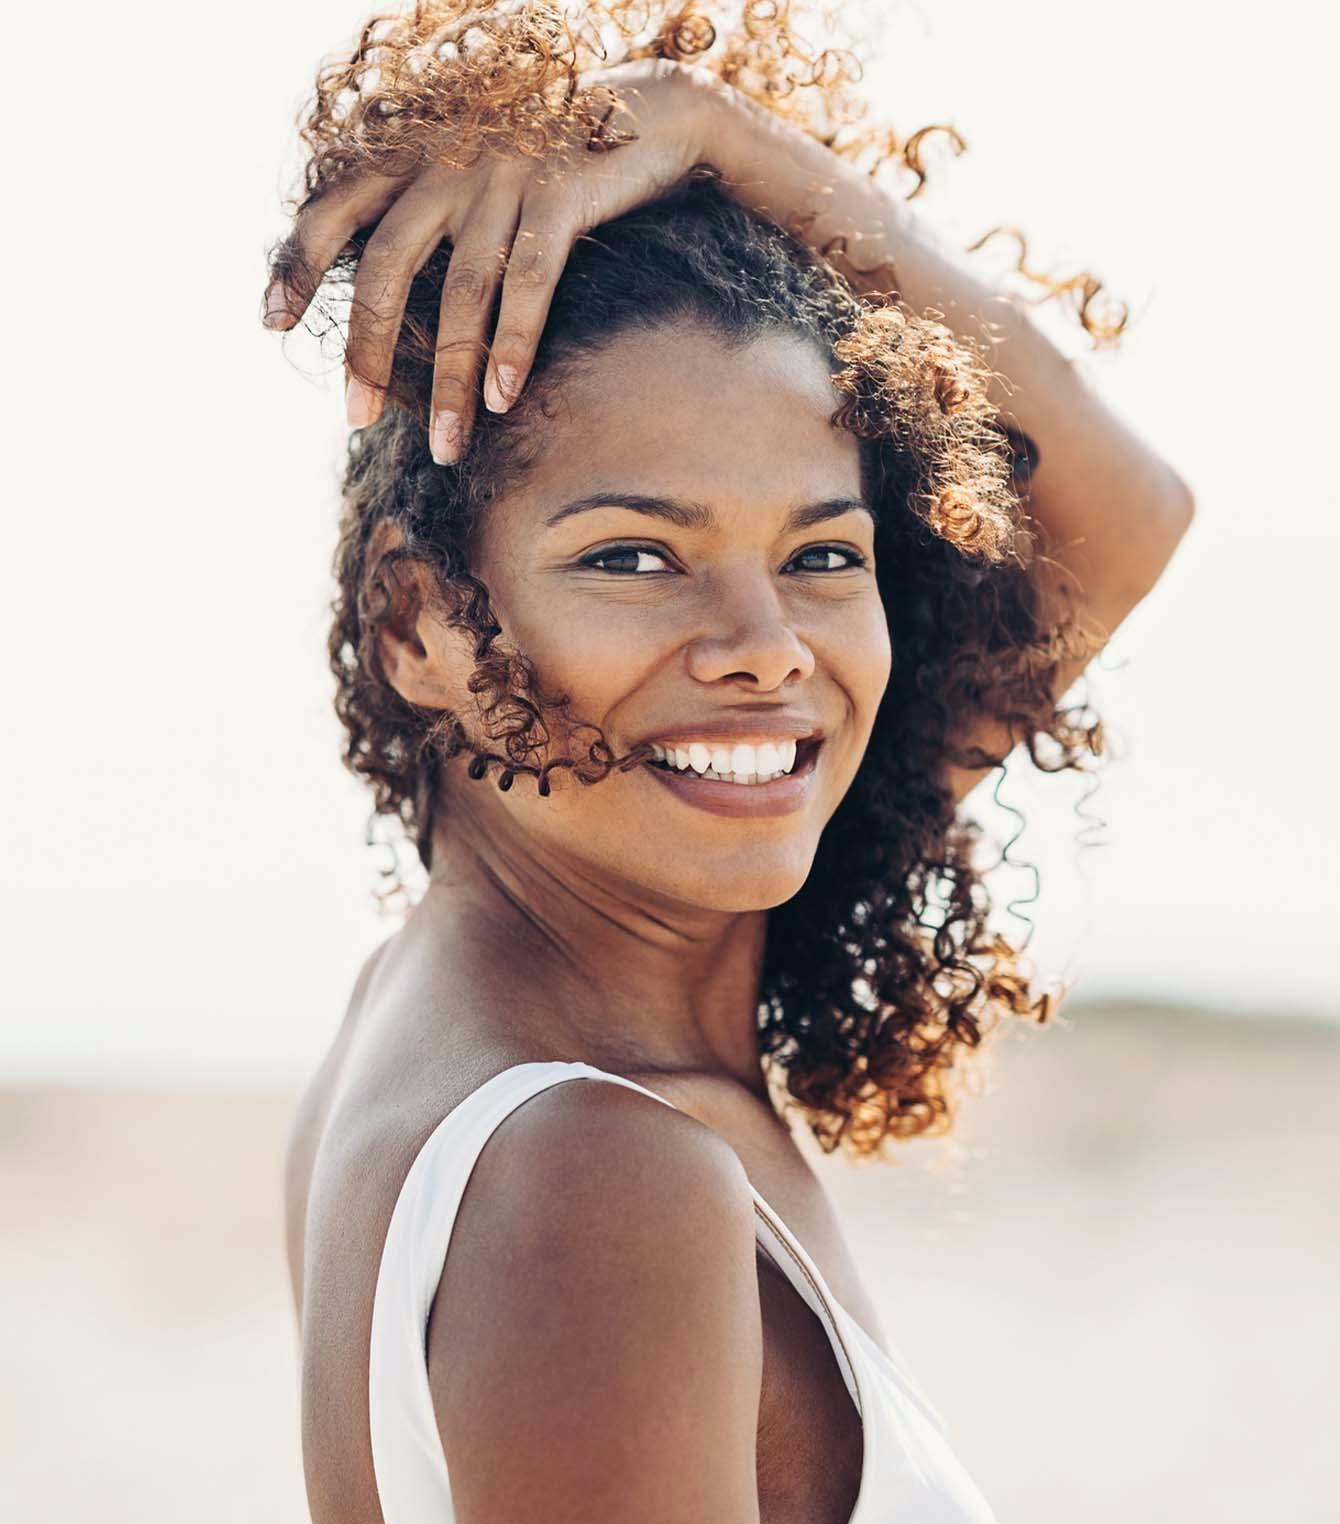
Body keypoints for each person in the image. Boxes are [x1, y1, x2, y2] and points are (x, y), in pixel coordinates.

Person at [263, 4, 1195, 1520]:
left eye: (824, 552)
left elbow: (1118, 522)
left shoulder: (465, 1005)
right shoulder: (597, 1175)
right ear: (417, 620)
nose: (764, 647)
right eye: (635, 556)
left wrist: (724, 137)